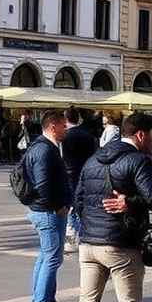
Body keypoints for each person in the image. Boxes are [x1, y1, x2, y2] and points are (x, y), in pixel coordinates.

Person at [73, 113, 152, 302]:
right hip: (121, 244)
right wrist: (131, 203)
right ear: (140, 135)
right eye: (151, 136)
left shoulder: (92, 160)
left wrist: (92, 224)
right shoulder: (138, 160)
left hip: (89, 243)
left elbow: (78, 200)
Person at [24, 110, 74, 302]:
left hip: (45, 210)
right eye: (63, 125)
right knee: (52, 258)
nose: (66, 129)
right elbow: (43, 184)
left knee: (47, 257)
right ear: (53, 127)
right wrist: (58, 206)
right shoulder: (44, 150)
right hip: (48, 212)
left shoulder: (43, 147)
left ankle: (45, 300)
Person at [62, 107, 96, 252]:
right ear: (78, 119)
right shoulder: (87, 136)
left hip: (68, 173)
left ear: (65, 119)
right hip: (85, 173)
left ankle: (72, 237)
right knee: (83, 204)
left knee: (70, 205)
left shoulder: (63, 136)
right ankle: (84, 234)